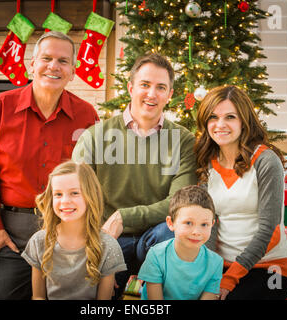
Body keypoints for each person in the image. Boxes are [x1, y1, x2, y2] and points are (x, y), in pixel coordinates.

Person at [0, 31, 99, 300]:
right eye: (46, 58)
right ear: (32, 64)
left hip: (66, 227)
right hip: (11, 231)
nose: (54, 66)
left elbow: (93, 178)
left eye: (63, 61)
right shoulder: (0, 107)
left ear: (72, 71)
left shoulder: (87, 115)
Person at [72, 53, 198, 297]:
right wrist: (94, 247)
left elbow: (179, 205)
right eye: (145, 85)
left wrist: (124, 216)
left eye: (161, 87)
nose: (152, 94)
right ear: (130, 88)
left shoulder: (183, 141)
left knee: (170, 232)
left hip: (156, 239)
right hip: (107, 238)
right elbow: (75, 197)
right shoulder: (94, 137)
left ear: (170, 95)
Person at [194, 85, 287, 300]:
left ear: (244, 121)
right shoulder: (207, 164)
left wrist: (231, 279)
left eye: (230, 117)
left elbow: (270, 229)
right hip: (223, 266)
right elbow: (209, 223)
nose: (220, 125)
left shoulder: (266, 161)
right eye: (213, 117)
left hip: (270, 269)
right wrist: (212, 274)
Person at [21, 160, 127, 299]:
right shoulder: (39, 241)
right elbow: (38, 297)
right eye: (58, 194)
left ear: (90, 196)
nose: (65, 200)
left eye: (74, 193)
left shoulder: (108, 246)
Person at [137, 185, 223, 300]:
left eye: (204, 224)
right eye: (188, 223)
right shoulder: (156, 255)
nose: (196, 232)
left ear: (212, 225)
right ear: (171, 223)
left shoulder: (215, 262)